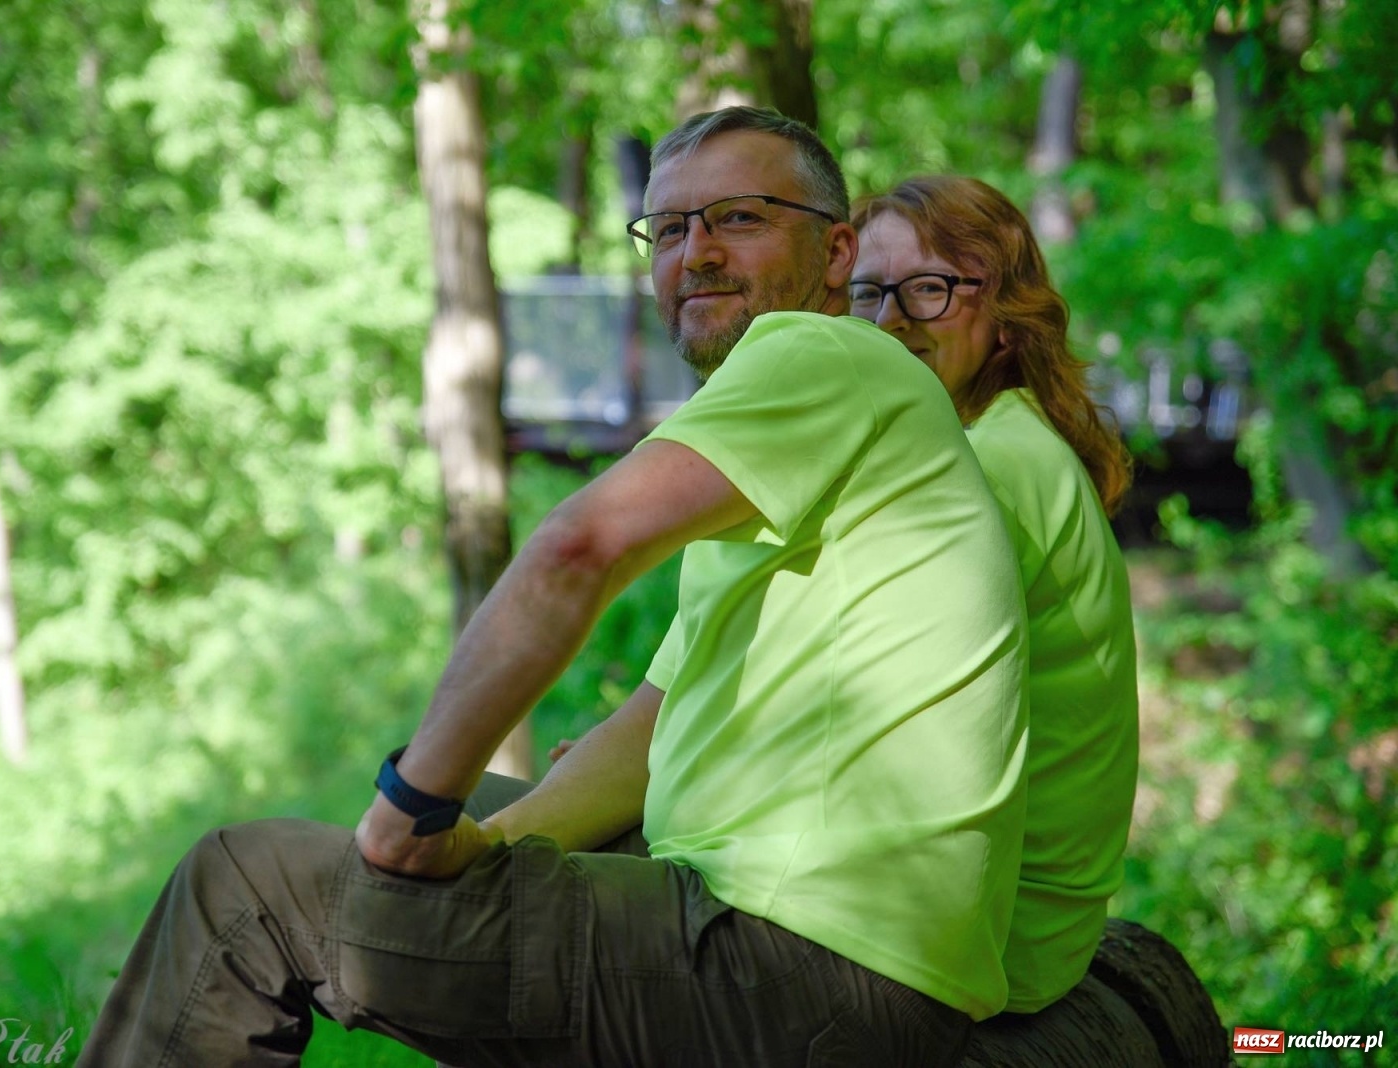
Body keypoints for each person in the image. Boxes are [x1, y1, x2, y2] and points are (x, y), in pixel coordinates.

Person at [79, 108, 1029, 1068]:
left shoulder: (824, 355)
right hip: (856, 957)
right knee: (485, 805)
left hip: (808, 963)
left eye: (739, 218)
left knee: (243, 886)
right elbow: (650, 735)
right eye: (668, 229)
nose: (695, 253)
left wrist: (409, 813)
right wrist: (471, 847)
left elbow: (577, 550)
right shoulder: (812, 427)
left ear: (835, 254)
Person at [849, 175, 1139, 1014]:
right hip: (1013, 917)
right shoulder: (996, 439)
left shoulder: (993, 466)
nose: (889, 321)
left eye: (929, 289)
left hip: (998, 936)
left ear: (1008, 321)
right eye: (868, 290)